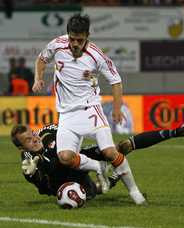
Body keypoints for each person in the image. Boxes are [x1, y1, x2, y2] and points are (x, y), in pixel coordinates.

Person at [32, 13, 145, 204]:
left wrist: (117, 109)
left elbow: (116, 81)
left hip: (90, 109)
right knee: (65, 157)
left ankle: (135, 192)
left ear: (87, 37)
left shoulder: (96, 55)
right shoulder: (57, 44)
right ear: (68, 35)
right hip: (66, 114)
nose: (76, 43)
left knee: (110, 152)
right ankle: (98, 167)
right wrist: (38, 78)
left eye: (80, 40)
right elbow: (42, 59)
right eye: (73, 39)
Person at [11, 123, 184, 202]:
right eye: (28, 140)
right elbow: (41, 180)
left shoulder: (49, 130)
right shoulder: (28, 158)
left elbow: (73, 127)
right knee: (92, 191)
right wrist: (32, 176)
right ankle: (110, 179)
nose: (34, 139)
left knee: (121, 147)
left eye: (33, 134)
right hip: (62, 182)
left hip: (76, 159)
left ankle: (175, 132)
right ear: (22, 148)